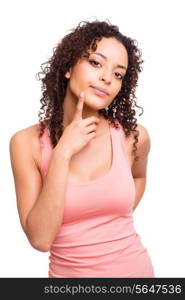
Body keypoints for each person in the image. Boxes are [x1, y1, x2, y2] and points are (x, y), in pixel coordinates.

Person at [9, 19, 155, 278]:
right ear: (68, 67)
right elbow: (40, 239)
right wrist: (63, 152)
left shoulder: (133, 137)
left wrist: (110, 217)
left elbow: (138, 176)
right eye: (96, 63)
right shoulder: (26, 143)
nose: (106, 78)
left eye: (118, 73)